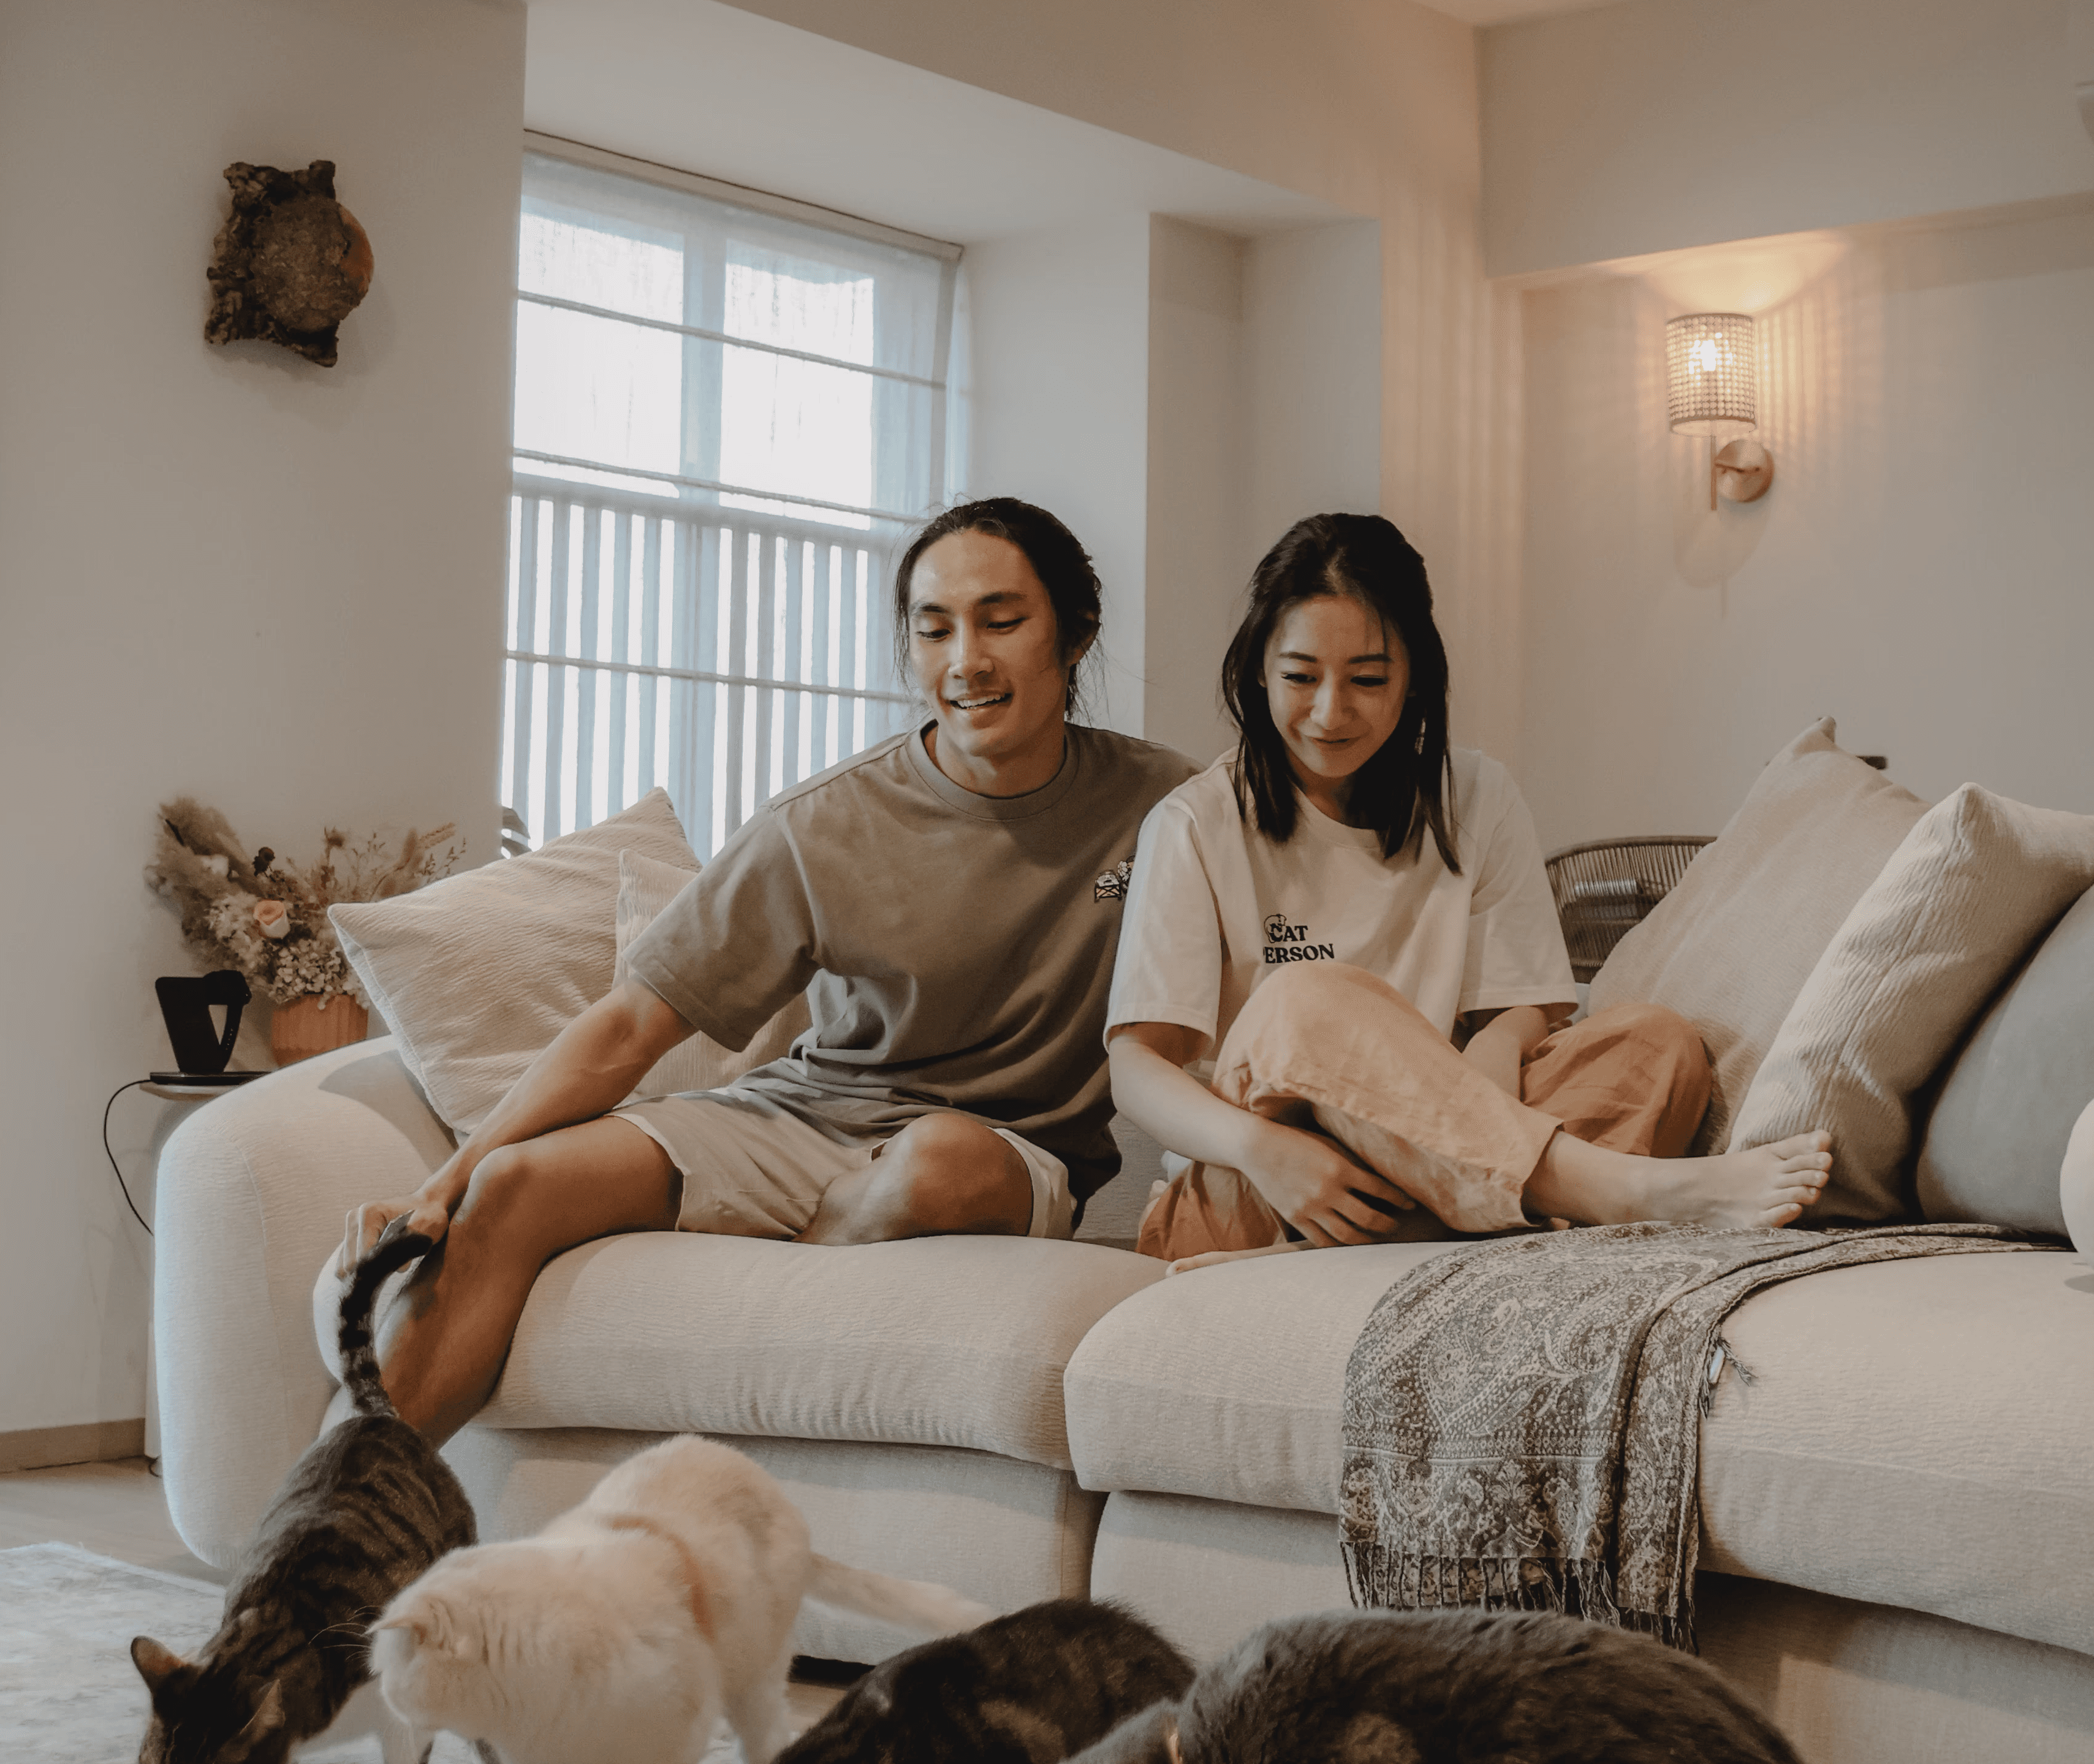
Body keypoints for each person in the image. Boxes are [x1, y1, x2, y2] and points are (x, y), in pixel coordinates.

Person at [341, 496, 1196, 1442]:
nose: (966, 661)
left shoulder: (1166, 806)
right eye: (933, 629)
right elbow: (633, 1023)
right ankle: (342, 1510)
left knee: (938, 1162)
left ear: (1075, 634)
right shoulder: (824, 822)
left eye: (1001, 621)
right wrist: (448, 1181)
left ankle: (807, 1246)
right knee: (516, 1185)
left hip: (1002, 1153)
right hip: (806, 1120)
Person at [1105, 513, 1831, 1262]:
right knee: (1303, 997)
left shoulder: (1476, 796)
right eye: (1299, 677)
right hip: (1261, 1191)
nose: (1329, 711)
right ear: (1258, 670)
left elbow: (1523, 1004)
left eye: (1367, 679)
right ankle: (1612, 1190)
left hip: (1436, 1164)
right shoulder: (1194, 821)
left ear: (1414, 674)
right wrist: (1259, 1148)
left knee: (1656, 1042)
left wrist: (1494, 1047)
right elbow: (1135, 1067)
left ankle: (1442, 1231)